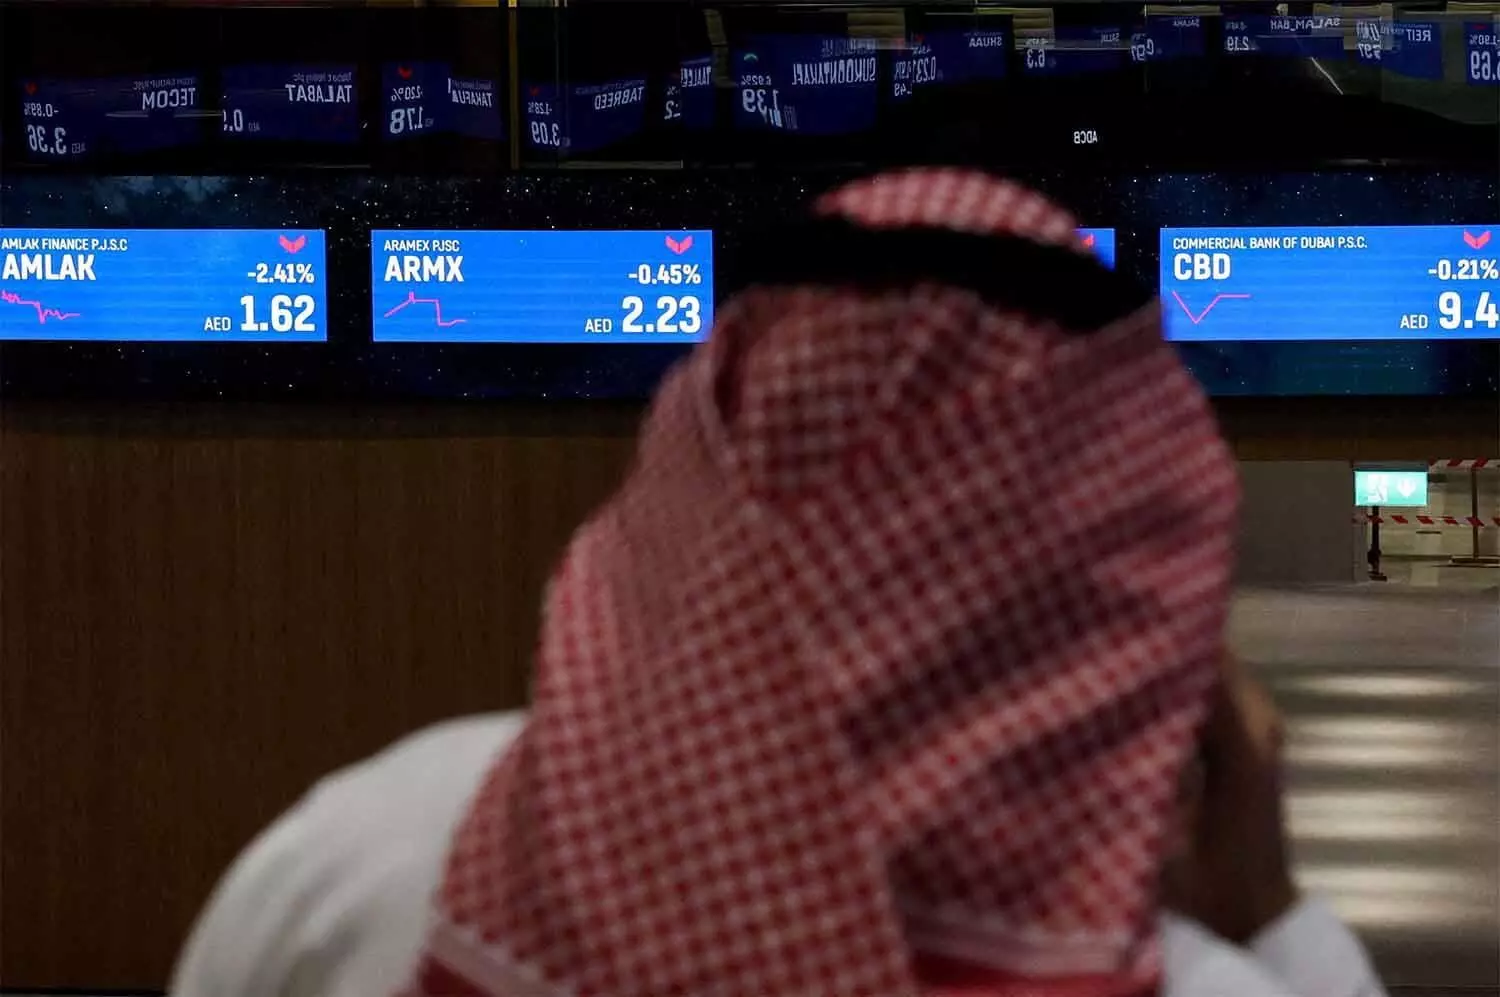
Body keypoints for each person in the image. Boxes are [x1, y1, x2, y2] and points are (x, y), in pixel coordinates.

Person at [171, 169, 1387, 997]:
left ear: (697, 475)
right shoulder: (1196, 977)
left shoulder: (361, 861)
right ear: (1133, 570)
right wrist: (1272, 910)